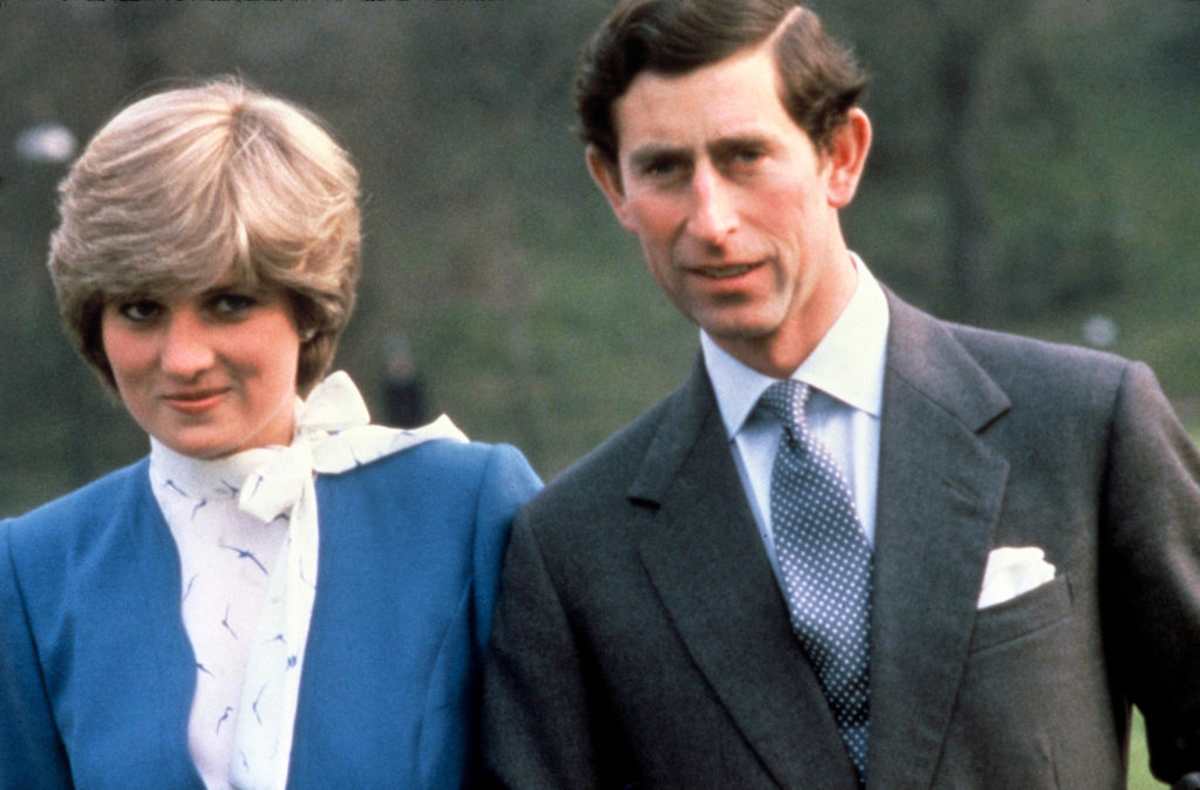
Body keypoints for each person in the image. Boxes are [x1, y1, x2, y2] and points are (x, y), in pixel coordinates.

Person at [482, 1, 1200, 787]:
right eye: (663, 169)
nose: (712, 221)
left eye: (745, 156)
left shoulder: (1085, 425)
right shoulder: (572, 552)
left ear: (842, 155)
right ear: (610, 182)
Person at [0, 78, 541, 788]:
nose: (183, 357)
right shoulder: (32, 571)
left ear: (307, 307)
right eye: (140, 310)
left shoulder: (467, 509)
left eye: (228, 303)